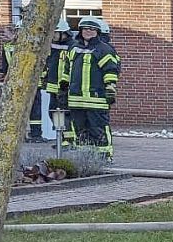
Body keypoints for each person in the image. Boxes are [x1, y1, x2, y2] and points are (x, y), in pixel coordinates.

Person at [60, 16, 118, 159]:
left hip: (96, 99)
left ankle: (104, 157)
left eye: (92, 29)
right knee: (80, 130)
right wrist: (62, 87)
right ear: (80, 30)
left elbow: (110, 70)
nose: (88, 31)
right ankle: (85, 157)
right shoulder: (74, 48)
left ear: (98, 32)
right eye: (85, 28)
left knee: (98, 129)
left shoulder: (103, 49)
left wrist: (110, 88)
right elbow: (67, 69)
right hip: (76, 99)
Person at [0, 22, 43, 142]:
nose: (4, 36)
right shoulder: (7, 46)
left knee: (35, 109)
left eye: (6, 33)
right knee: (17, 109)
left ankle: (36, 134)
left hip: (31, 82)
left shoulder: (30, 45)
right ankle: (20, 134)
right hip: (16, 83)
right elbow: (5, 65)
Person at [43, 19, 74, 147]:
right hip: (53, 86)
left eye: (56, 33)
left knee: (65, 113)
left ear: (64, 33)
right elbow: (48, 63)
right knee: (53, 112)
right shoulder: (52, 46)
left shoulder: (73, 46)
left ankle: (69, 139)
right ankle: (61, 137)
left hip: (65, 87)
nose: (54, 35)